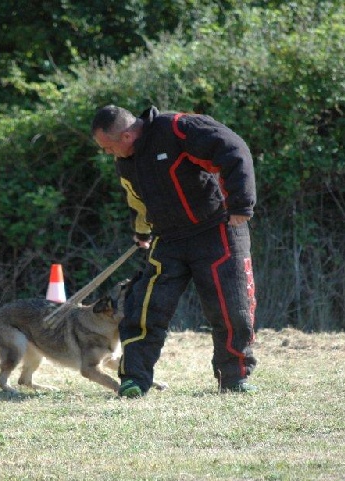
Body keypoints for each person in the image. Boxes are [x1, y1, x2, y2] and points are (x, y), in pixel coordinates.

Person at [91, 105, 258, 397]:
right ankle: (134, 379)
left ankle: (234, 378)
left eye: (108, 147)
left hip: (217, 228)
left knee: (232, 309)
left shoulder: (177, 128)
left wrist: (241, 204)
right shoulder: (126, 161)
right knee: (143, 306)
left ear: (127, 135)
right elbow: (138, 200)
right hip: (168, 238)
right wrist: (141, 231)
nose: (108, 154)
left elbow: (233, 148)